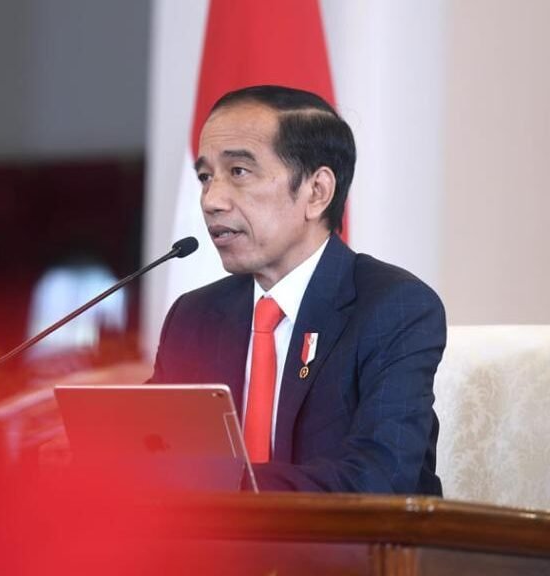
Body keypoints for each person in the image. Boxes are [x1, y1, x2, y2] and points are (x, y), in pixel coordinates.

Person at [149, 85, 445, 494]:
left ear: (316, 192)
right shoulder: (194, 317)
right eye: (205, 177)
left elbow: (378, 480)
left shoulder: (394, 308)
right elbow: (150, 454)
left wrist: (219, 485)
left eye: (238, 172)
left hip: (349, 538)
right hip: (210, 538)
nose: (212, 200)